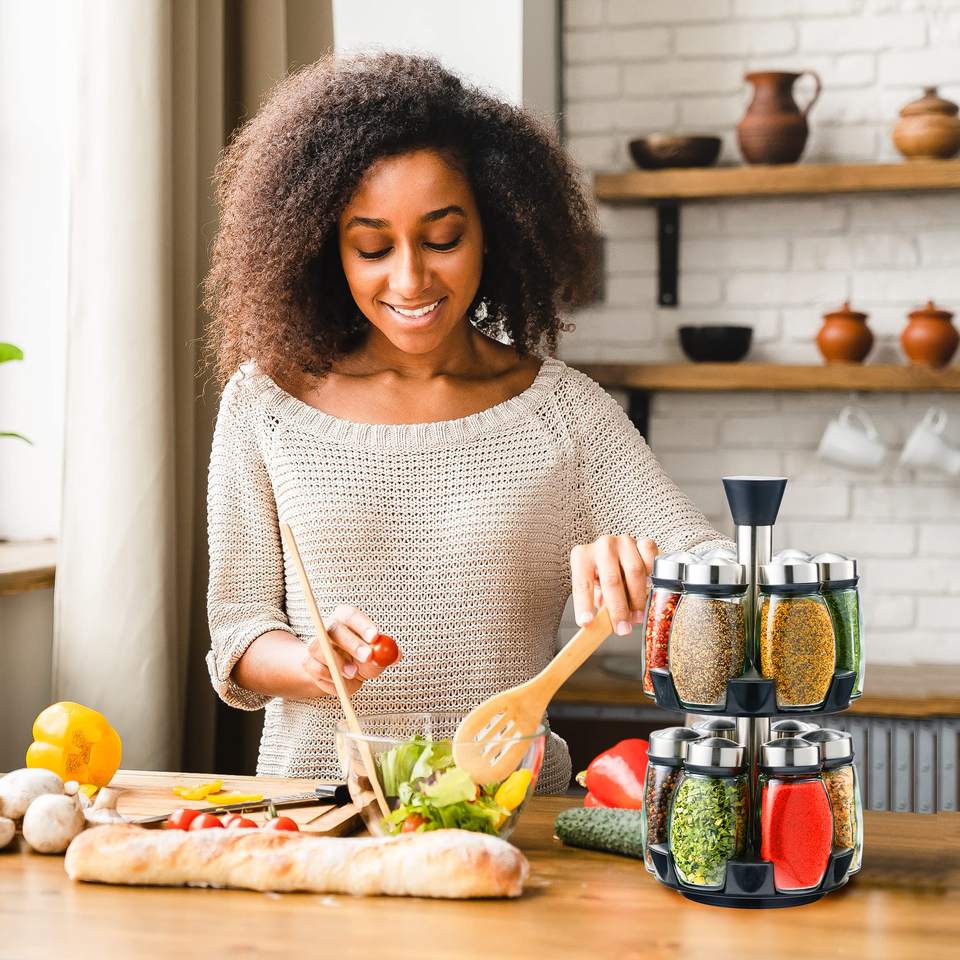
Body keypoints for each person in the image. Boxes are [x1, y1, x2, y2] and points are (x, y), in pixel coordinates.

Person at [203, 52, 726, 792]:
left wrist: (655, 571)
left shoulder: (562, 412)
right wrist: (309, 660)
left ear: (497, 229)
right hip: (320, 813)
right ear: (327, 249)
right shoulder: (265, 403)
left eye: (443, 238)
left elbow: (715, 569)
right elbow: (237, 632)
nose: (410, 279)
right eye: (373, 246)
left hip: (514, 817)